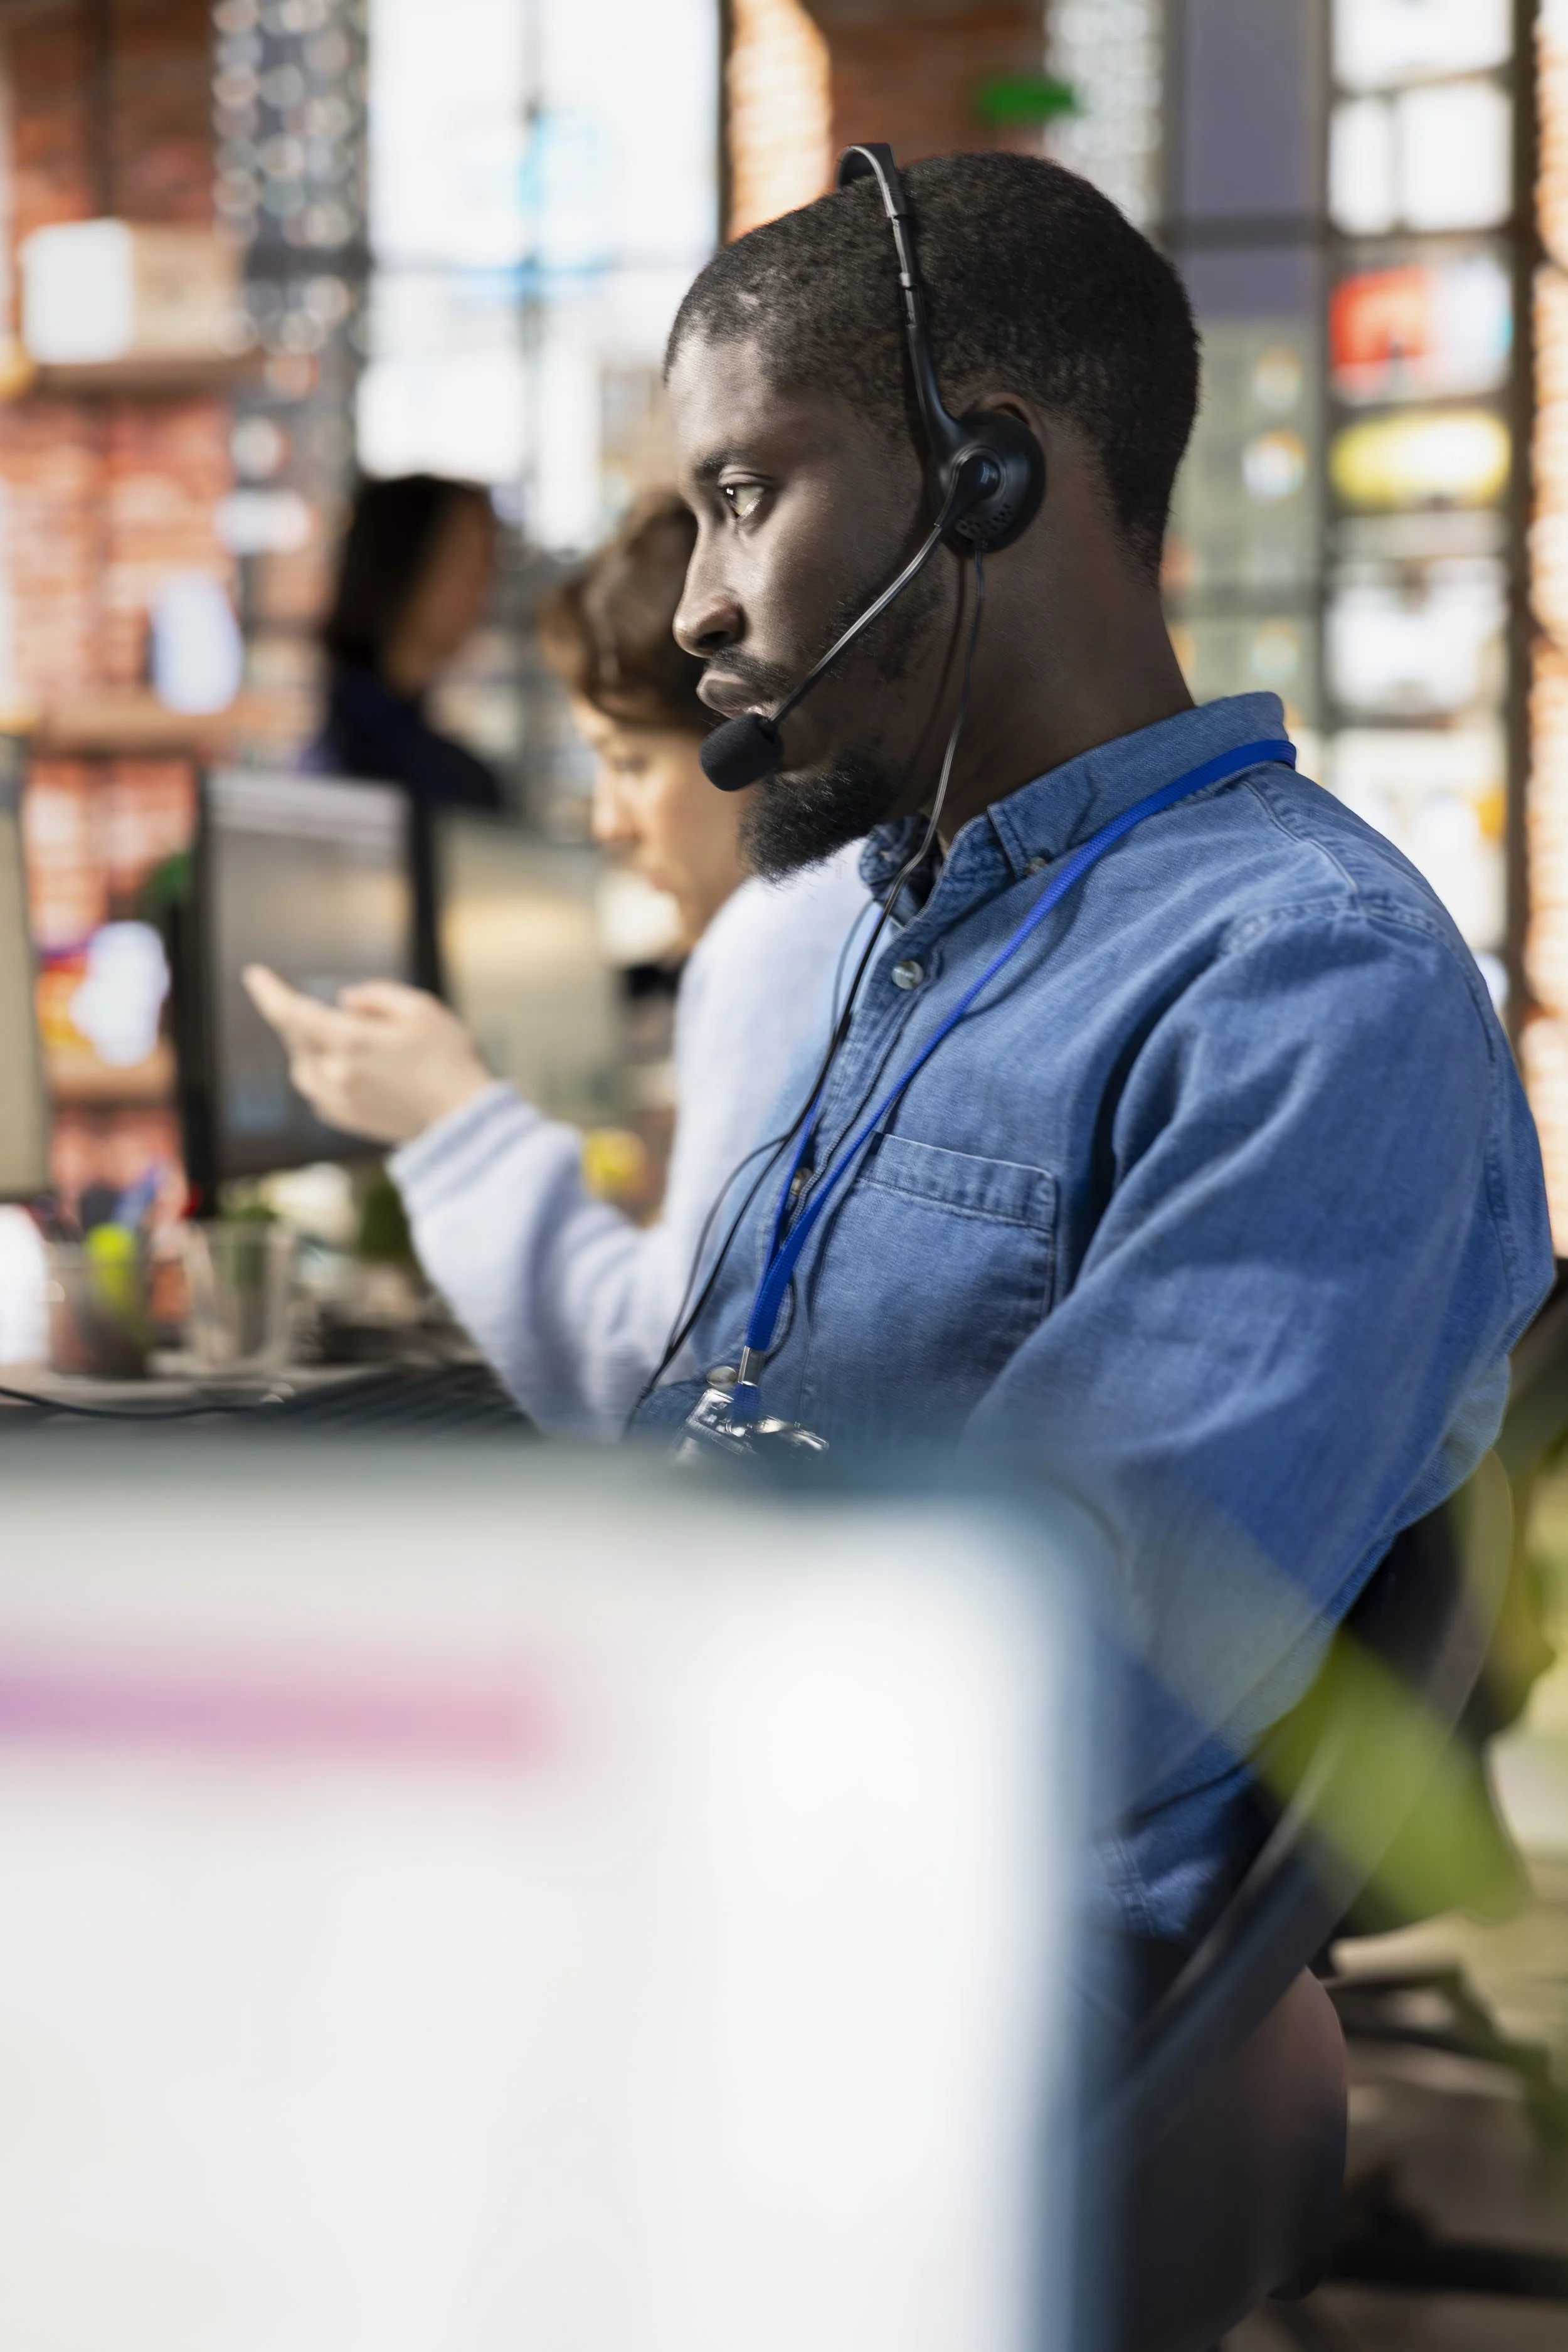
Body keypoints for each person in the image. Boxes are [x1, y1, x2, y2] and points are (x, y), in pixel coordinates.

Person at [631, 151, 1554, 1958]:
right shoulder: (922, 934)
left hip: (888, 1976)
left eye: (743, 496)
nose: (698, 610)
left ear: (986, 477)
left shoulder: (1294, 976)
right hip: (730, 1876)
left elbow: (1050, 1672)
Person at [246, 491, 869, 1433]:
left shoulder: (781, 931)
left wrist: (450, 1120)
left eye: (630, 763)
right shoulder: (872, 900)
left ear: (758, 743)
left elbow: (651, 1378)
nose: (606, 823)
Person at [314, 472, 503, 814]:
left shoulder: (335, 732)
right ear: (407, 561)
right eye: (468, 563)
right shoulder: (440, 781)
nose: (482, 594)